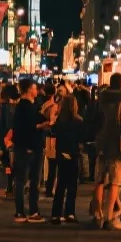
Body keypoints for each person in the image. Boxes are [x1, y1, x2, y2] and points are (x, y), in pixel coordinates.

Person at [92, 73, 121, 230]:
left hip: (101, 144)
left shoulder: (101, 99)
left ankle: (97, 214)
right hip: (117, 145)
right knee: (116, 182)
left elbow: (93, 120)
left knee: (100, 180)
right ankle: (109, 216)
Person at [12, 78, 50, 222]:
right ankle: (24, 211)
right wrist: (42, 125)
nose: (37, 90)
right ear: (29, 90)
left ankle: (26, 211)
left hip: (29, 146)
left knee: (29, 180)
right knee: (26, 180)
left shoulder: (27, 106)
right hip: (28, 147)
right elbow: (27, 127)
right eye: (34, 88)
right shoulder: (24, 106)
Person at [51, 95, 85, 224]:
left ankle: (56, 214)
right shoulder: (79, 121)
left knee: (60, 184)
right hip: (74, 154)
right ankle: (69, 212)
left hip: (61, 153)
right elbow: (81, 138)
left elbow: (53, 132)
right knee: (72, 185)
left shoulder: (60, 121)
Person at [0, 84, 19, 197]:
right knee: (11, 164)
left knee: (8, 164)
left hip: (4, 139)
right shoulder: (11, 107)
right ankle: (10, 185)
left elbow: (0, 126)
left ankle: (9, 185)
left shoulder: (1, 108)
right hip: (11, 139)